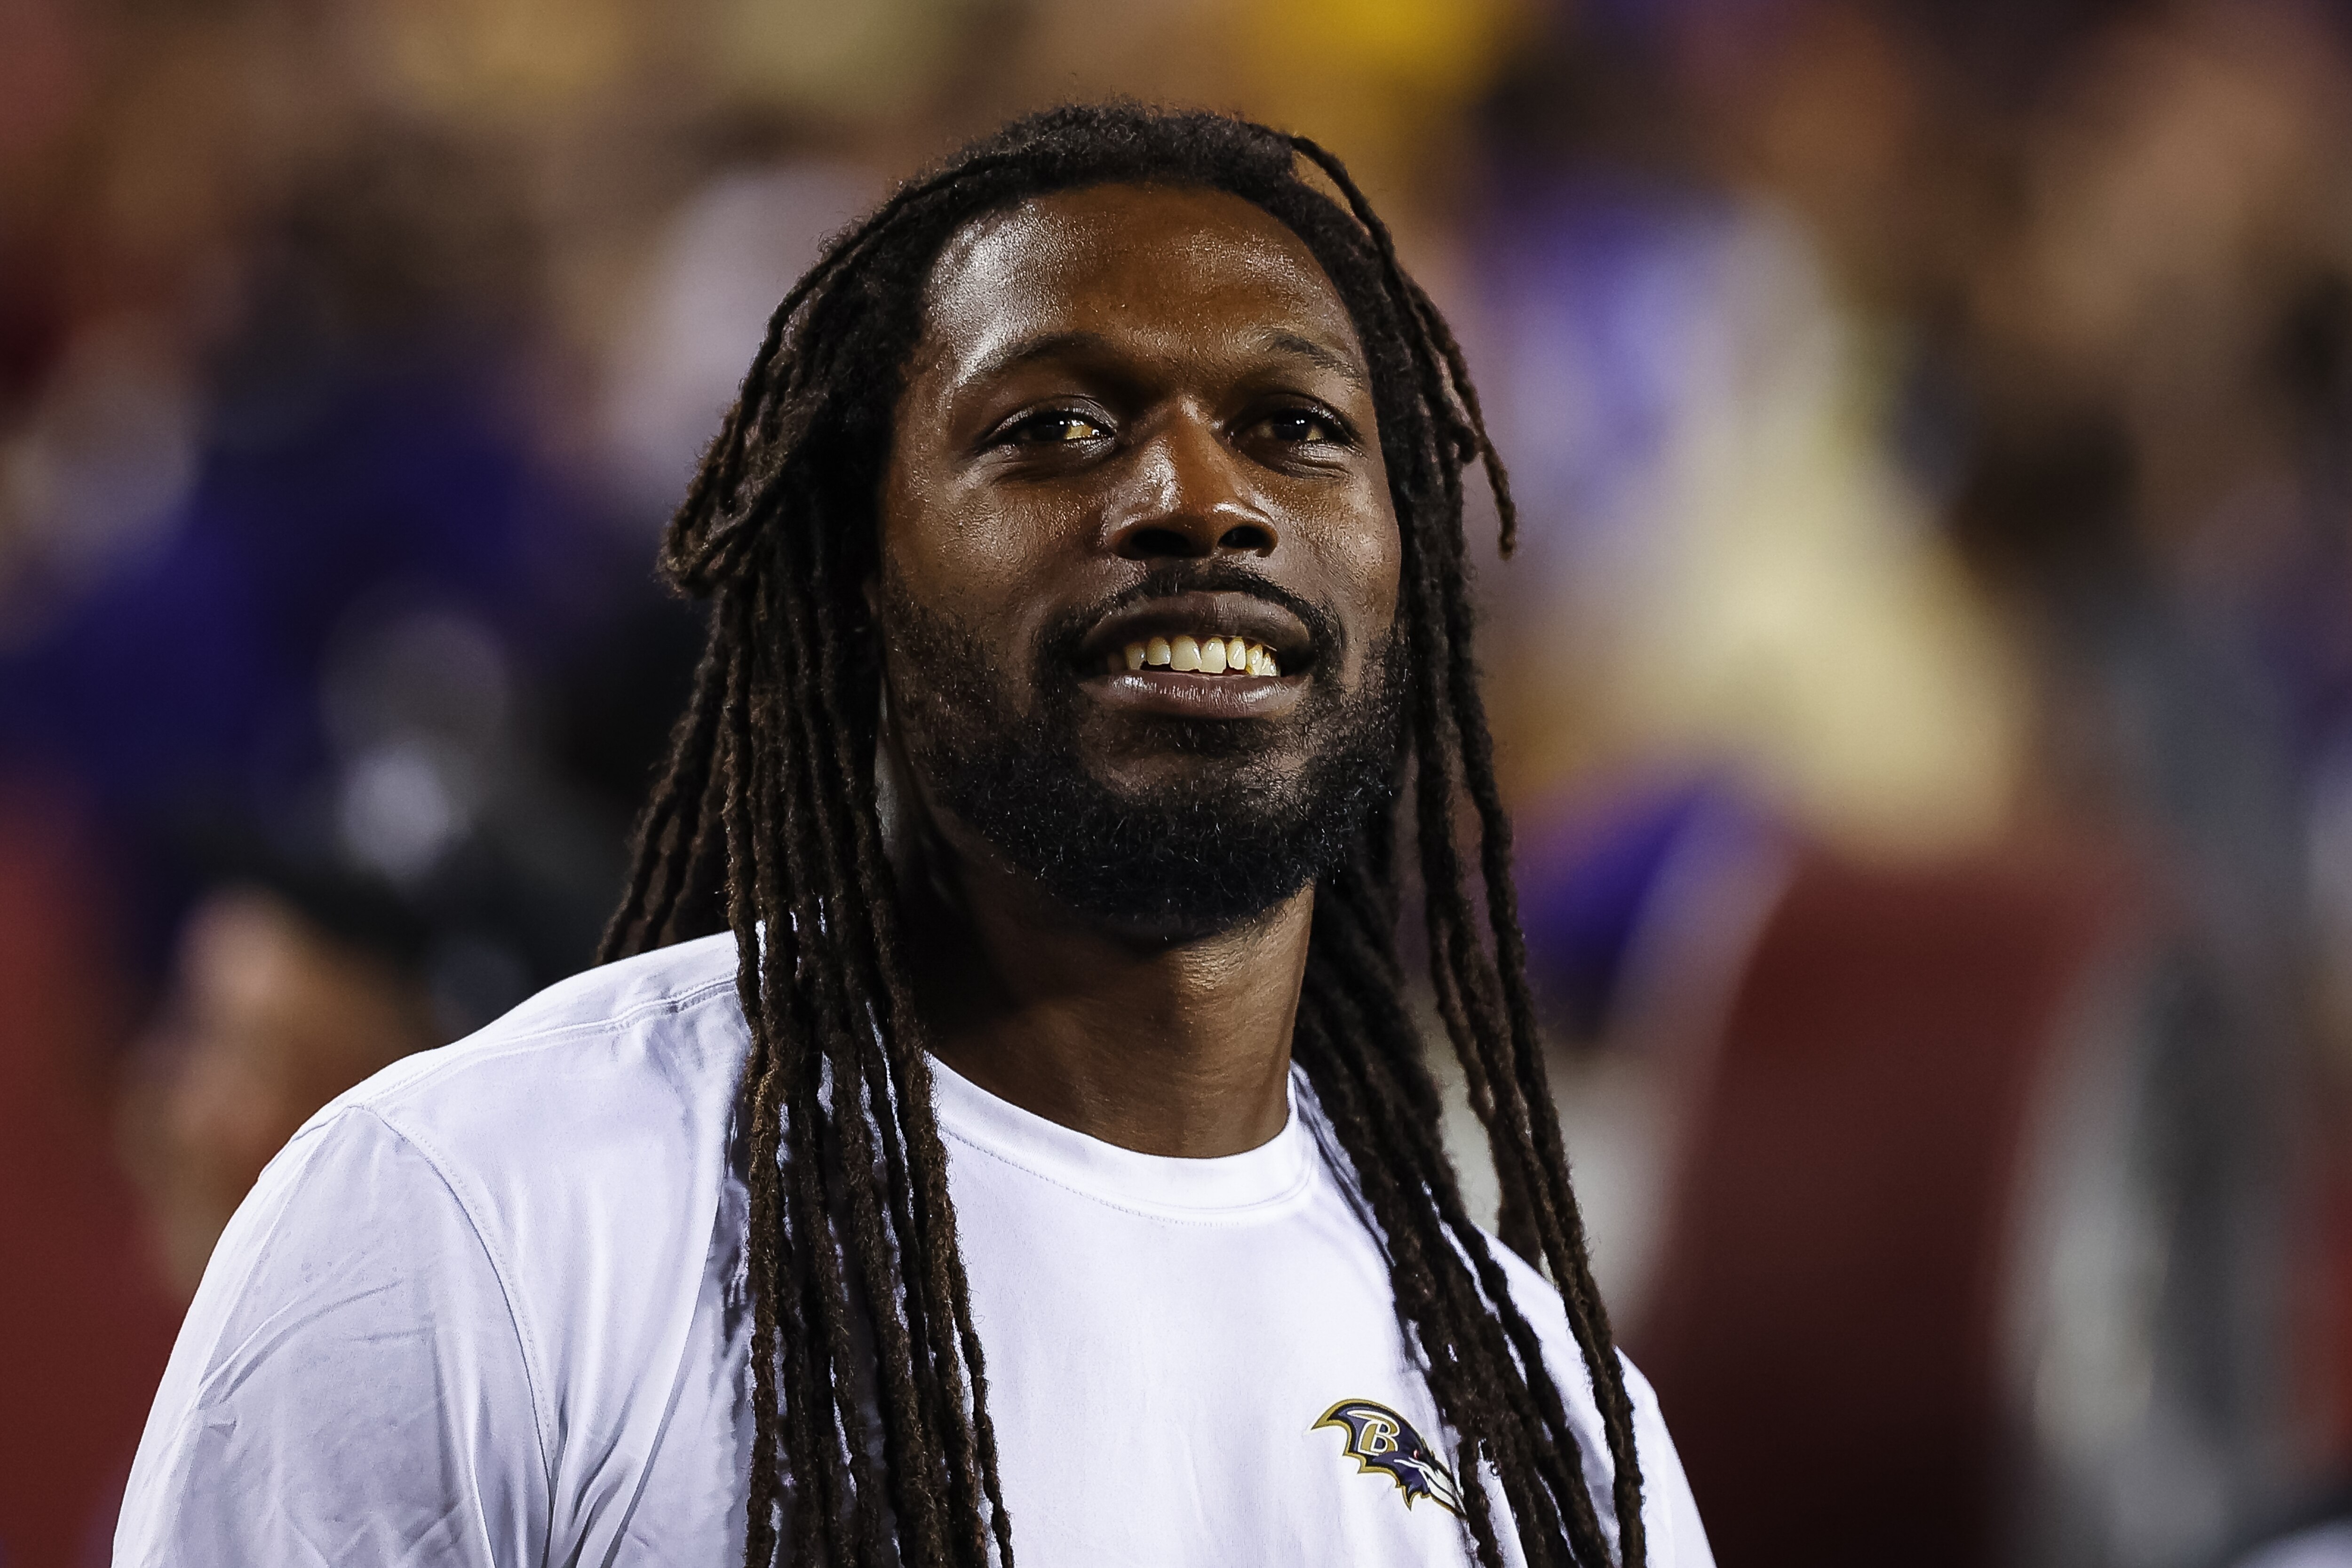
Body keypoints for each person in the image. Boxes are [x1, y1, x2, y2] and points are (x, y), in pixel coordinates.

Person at [114, 104, 1712, 1568]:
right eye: (1057, 427)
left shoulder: (1554, 1429)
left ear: (1408, 573)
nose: (1198, 494)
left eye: (1294, 424)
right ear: (857, 581)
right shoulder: (479, 1220)